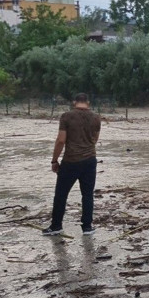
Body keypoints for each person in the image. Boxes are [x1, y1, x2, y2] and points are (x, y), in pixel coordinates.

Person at [43, 93, 101, 236]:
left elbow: (61, 140)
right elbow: (95, 139)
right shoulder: (96, 117)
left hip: (71, 161)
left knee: (61, 195)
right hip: (90, 160)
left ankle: (56, 226)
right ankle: (87, 227)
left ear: (74, 102)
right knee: (87, 195)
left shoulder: (66, 116)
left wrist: (54, 160)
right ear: (88, 102)